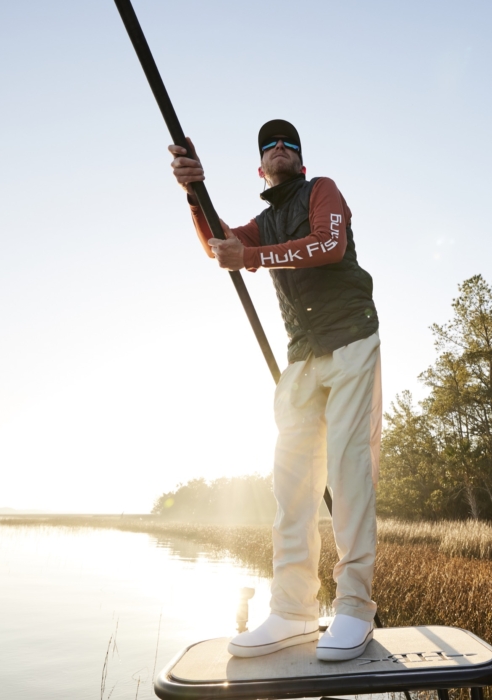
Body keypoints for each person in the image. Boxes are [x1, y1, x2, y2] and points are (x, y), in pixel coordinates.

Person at [168, 119, 381, 662]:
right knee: (291, 489)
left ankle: (354, 609)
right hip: (301, 356)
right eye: (269, 145)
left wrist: (255, 258)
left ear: (300, 161)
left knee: (348, 473)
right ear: (259, 166)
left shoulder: (321, 191)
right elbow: (222, 245)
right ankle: (292, 611)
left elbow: (329, 245)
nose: (279, 148)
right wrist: (195, 193)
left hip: (352, 338)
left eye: (289, 143)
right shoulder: (263, 223)